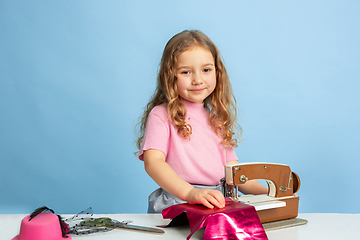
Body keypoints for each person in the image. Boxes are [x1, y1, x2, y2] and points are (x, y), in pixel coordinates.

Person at [136, 30, 267, 213]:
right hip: (179, 200)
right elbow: (153, 163)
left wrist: (269, 193)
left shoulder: (216, 120)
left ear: (217, 72)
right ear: (170, 75)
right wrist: (190, 193)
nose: (197, 80)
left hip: (217, 201)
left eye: (206, 70)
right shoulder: (161, 115)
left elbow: (234, 173)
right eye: (186, 72)